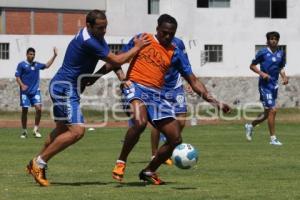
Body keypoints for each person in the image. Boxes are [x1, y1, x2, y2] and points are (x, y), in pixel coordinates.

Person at [26, 9, 150, 187]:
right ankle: (39, 162)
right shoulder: (89, 41)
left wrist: (99, 77)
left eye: (105, 27)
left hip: (65, 87)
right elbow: (117, 59)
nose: (104, 31)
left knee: (60, 131)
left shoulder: (96, 37)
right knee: (77, 131)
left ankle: (36, 164)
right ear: (89, 25)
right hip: (65, 89)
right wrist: (137, 47)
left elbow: (111, 62)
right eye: (100, 28)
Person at [112, 14, 231, 185]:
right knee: (140, 122)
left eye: (171, 34)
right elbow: (116, 60)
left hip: (157, 94)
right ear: (157, 29)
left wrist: (215, 102)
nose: (167, 36)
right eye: (164, 32)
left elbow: (193, 81)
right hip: (136, 86)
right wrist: (114, 78)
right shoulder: (142, 39)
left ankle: (149, 171)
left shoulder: (176, 52)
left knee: (176, 138)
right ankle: (121, 161)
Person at [150, 37, 191, 166]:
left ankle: (167, 149)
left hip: (176, 87)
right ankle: (154, 154)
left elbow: (185, 62)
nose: (167, 35)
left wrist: (189, 80)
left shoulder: (179, 42)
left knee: (182, 122)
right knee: (157, 123)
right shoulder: (153, 43)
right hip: (158, 86)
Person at [245, 31, 288, 146]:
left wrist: (284, 77)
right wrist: (261, 73)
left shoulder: (281, 53)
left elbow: (281, 67)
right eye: (271, 39)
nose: (274, 40)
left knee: (267, 114)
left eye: (276, 39)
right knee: (273, 110)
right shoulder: (262, 53)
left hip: (274, 85)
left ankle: (250, 125)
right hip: (264, 85)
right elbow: (252, 66)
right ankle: (273, 139)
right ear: (267, 41)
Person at [15, 47, 57, 139]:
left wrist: (54, 55)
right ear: (27, 55)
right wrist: (22, 85)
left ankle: (35, 129)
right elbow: (17, 77)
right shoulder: (21, 65)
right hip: (25, 92)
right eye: (30, 54)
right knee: (24, 110)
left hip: (35, 91)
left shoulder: (37, 65)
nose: (32, 56)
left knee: (38, 109)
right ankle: (24, 131)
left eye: (33, 54)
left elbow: (47, 65)